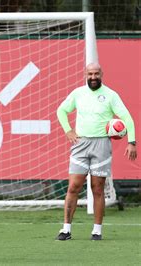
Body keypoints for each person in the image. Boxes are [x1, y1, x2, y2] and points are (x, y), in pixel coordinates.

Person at [56, 63, 137, 241]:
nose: (93, 77)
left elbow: (127, 118)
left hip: (101, 145)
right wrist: (68, 130)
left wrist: (131, 142)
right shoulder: (78, 93)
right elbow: (61, 110)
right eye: (90, 74)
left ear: (102, 74)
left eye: (96, 73)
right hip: (80, 144)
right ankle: (66, 229)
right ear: (85, 74)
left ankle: (97, 231)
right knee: (73, 187)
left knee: (97, 188)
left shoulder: (110, 95)